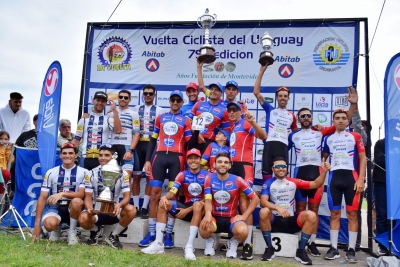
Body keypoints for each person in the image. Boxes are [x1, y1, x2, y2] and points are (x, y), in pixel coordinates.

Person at [139, 90, 197, 247]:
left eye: (178, 100)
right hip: (159, 157)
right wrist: (147, 160)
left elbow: (189, 144)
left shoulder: (185, 121)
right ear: (169, 101)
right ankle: (151, 233)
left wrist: (196, 131)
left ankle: (168, 234)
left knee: (173, 197)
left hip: (177, 158)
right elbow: (152, 140)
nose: (176, 102)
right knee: (154, 195)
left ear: (182, 103)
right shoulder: (161, 118)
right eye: (173, 100)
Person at [259, 157, 331, 265]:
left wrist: (324, 172)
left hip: (290, 221)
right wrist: (278, 208)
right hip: (275, 221)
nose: (281, 169)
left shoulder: (293, 181)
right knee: (264, 211)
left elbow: (316, 184)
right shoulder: (268, 183)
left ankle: (301, 251)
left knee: (311, 215)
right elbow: (263, 201)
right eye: (277, 166)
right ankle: (269, 248)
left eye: (283, 166)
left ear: (287, 169)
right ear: (273, 169)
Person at [141, 148, 208, 260]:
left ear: (200, 160)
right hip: (186, 207)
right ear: (187, 161)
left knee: (197, 205)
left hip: (201, 210)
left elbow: (207, 200)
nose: (193, 161)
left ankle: (189, 247)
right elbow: (172, 192)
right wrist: (164, 197)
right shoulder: (182, 174)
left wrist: (187, 210)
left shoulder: (208, 175)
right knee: (163, 203)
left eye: (196, 158)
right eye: (190, 158)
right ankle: (158, 243)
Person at [322, 108, 366, 263]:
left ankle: (351, 249)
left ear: (348, 121)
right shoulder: (328, 138)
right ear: (333, 121)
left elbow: (363, 158)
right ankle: (333, 248)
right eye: (337, 118)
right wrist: (324, 165)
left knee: (352, 214)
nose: (340, 120)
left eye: (343, 118)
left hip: (351, 179)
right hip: (334, 179)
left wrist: (361, 179)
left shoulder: (355, 136)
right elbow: (324, 158)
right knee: (334, 214)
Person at [199, 152, 259, 259]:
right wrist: (208, 213)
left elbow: (255, 199)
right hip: (215, 218)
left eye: (226, 162)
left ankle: (234, 242)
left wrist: (243, 217)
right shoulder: (209, 178)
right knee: (203, 229)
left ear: (230, 165)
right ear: (214, 164)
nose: (223, 164)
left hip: (231, 218)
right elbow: (208, 200)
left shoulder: (237, 179)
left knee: (243, 231)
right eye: (220, 162)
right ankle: (211, 240)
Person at [227, 102, 267, 260]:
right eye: (229, 110)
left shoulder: (244, 123)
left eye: (234, 110)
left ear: (240, 111)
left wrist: (253, 122)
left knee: (245, 204)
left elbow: (262, 136)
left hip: (244, 167)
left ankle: (248, 244)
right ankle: (237, 238)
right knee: (235, 204)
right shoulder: (234, 127)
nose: (231, 113)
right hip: (232, 167)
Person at [31, 143, 90, 245]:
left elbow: (81, 194)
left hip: (75, 208)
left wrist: (62, 194)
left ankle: (72, 232)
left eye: (71, 153)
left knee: (76, 201)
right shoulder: (51, 172)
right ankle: (56, 229)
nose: (67, 156)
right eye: (65, 153)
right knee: (49, 224)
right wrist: (37, 225)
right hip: (56, 207)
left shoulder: (84, 172)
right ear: (60, 155)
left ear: (76, 155)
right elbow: (42, 197)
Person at [79, 145, 136, 249]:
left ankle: (113, 236)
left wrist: (119, 205)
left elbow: (127, 197)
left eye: (107, 155)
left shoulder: (123, 174)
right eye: (100, 155)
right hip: (97, 211)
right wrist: (89, 208)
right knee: (83, 218)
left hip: (113, 211)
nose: (103, 158)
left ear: (113, 157)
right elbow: (87, 196)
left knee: (131, 210)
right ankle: (95, 231)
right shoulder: (91, 173)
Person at [253, 64, 297, 182]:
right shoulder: (270, 110)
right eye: (280, 96)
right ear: (276, 98)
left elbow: (296, 135)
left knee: (282, 180)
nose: (283, 98)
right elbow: (256, 92)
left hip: (283, 148)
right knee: (266, 180)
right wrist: (262, 70)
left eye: (285, 96)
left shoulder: (292, 116)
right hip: (269, 146)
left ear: (288, 99)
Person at [132, 84, 165, 218]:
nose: (148, 96)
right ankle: (135, 207)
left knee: (148, 176)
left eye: (150, 93)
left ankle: (144, 207)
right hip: (138, 144)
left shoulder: (160, 110)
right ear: (142, 95)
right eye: (145, 93)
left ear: (155, 95)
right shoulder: (135, 109)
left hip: (152, 145)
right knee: (137, 176)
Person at [72, 91, 121, 171]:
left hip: (102, 158)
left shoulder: (108, 119)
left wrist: (114, 110)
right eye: (98, 100)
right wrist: (73, 158)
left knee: (102, 183)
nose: (100, 103)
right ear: (93, 101)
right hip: (85, 157)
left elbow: (118, 131)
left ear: (106, 103)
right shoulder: (84, 120)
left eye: (103, 101)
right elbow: (76, 140)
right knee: (84, 182)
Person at [108, 90, 140, 201]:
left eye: (126, 98)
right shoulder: (110, 113)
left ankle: (126, 203)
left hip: (126, 146)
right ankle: (111, 203)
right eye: (121, 97)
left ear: (129, 100)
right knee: (111, 177)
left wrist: (130, 150)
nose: (123, 99)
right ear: (118, 98)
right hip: (112, 147)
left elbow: (137, 134)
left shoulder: (134, 114)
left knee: (126, 177)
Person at [187, 80, 230, 154]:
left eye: (216, 90)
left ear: (220, 94)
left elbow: (226, 132)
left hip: (209, 142)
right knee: (191, 163)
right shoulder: (199, 104)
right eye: (212, 89)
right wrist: (196, 133)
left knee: (204, 164)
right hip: (194, 137)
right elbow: (187, 120)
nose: (213, 91)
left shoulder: (224, 110)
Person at [372, 138, 392, 256]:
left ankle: (395, 243)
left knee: (396, 216)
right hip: (381, 184)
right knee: (382, 215)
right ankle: (382, 245)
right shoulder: (380, 143)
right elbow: (379, 160)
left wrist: (388, 157)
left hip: (396, 185)